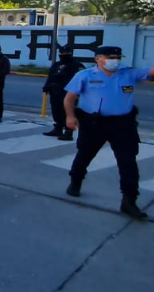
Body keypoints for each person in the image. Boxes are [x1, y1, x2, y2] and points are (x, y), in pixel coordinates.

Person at [63, 46, 154, 220]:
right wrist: (70, 117)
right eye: (110, 57)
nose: (115, 60)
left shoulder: (128, 73)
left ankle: (129, 200)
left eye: (117, 57)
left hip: (123, 124)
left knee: (128, 161)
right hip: (93, 123)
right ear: (98, 58)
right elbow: (69, 98)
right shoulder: (85, 75)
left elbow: (150, 71)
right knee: (85, 155)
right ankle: (76, 180)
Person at [42, 45, 86, 141]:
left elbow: (81, 80)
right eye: (62, 54)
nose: (64, 56)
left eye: (66, 54)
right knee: (56, 111)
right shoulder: (56, 65)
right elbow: (50, 77)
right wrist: (46, 87)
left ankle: (68, 131)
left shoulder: (77, 66)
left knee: (69, 111)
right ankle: (58, 128)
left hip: (69, 92)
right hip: (55, 91)